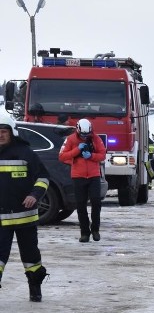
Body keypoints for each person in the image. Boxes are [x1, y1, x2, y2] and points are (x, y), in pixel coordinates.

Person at [0, 112, 49, 301]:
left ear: (12, 133)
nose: (1, 135)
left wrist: (34, 194)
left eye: (4, 131)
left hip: (25, 216)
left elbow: (43, 177)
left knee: (31, 257)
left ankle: (35, 288)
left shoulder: (26, 153)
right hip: (1, 218)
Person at [58, 118, 107, 242]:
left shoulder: (96, 139)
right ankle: (85, 233)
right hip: (78, 177)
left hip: (93, 176)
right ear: (78, 131)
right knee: (81, 205)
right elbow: (62, 156)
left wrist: (91, 156)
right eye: (83, 135)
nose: (85, 137)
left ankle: (95, 229)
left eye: (87, 134)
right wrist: (77, 150)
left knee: (96, 202)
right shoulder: (70, 139)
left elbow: (103, 155)